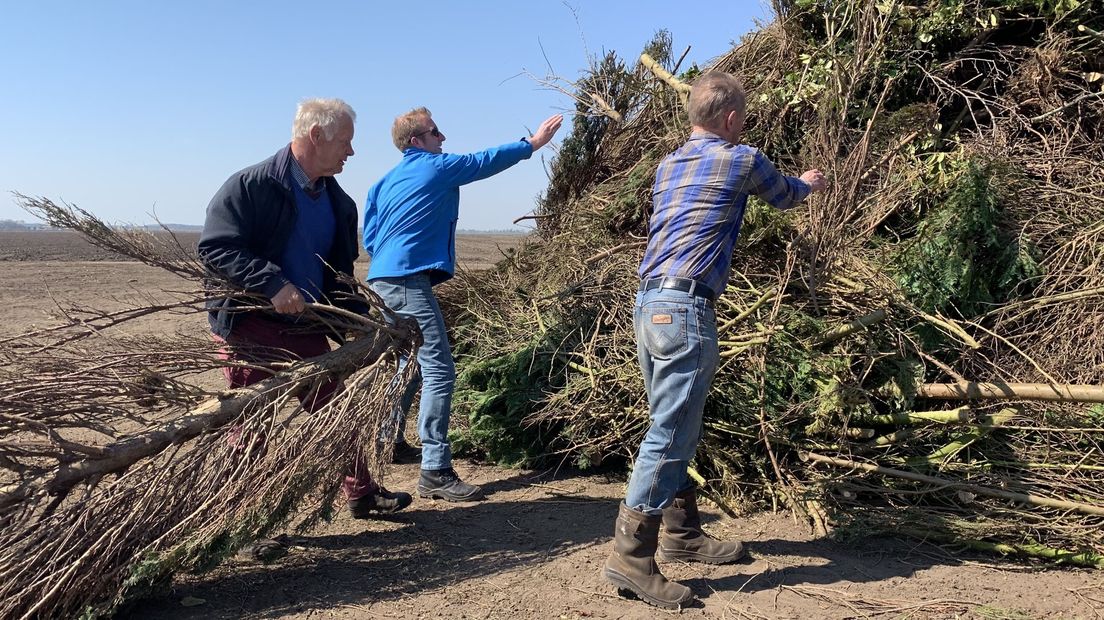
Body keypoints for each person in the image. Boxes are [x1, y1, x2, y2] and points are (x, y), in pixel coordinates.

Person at [603, 72, 828, 609]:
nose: (744, 126)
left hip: (650, 304)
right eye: (742, 118)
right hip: (685, 308)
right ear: (730, 120)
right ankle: (631, 557)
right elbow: (787, 196)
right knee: (672, 426)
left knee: (676, 419)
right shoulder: (742, 157)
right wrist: (812, 182)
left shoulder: (669, 163)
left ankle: (681, 533)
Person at [198, 97, 412, 519]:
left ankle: (362, 493)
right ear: (316, 136)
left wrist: (363, 322)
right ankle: (237, 519)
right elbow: (216, 248)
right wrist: (273, 284)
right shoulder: (251, 186)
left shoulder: (339, 204)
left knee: (337, 412)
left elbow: (337, 277)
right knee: (252, 426)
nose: (351, 152)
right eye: (346, 142)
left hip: (304, 326)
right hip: (250, 327)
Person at [363, 107, 563, 501]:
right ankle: (435, 469)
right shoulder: (434, 167)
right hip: (407, 279)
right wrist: (532, 145)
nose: (443, 138)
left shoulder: (383, 182)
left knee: (411, 364)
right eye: (436, 132)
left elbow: (370, 235)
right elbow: (482, 162)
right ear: (416, 141)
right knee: (440, 368)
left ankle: (388, 440)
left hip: (383, 278)